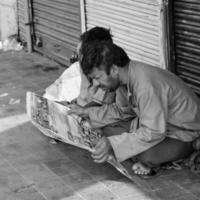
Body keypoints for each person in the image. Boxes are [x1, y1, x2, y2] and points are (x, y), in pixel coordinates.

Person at [69, 41, 200, 178]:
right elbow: (121, 111)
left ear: (114, 70)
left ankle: (191, 147)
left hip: (184, 132)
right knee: (107, 130)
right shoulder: (122, 79)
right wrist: (87, 112)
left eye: (97, 77)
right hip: (159, 126)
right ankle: (137, 155)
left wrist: (113, 143)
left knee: (147, 156)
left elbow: (153, 132)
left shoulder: (146, 85)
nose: (96, 84)